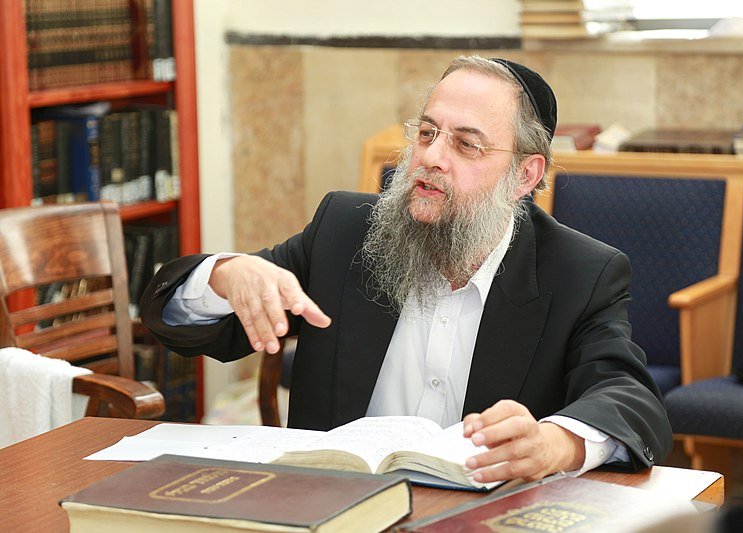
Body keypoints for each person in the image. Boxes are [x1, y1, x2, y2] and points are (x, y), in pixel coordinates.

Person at [141, 55, 672, 484]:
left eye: (466, 144)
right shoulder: (346, 232)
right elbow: (176, 320)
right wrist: (225, 276)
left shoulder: (580, 272)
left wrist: (555, 445)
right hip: (333, 508)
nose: (431, 157)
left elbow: (630, 401)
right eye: (426, 133)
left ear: (524, 175)